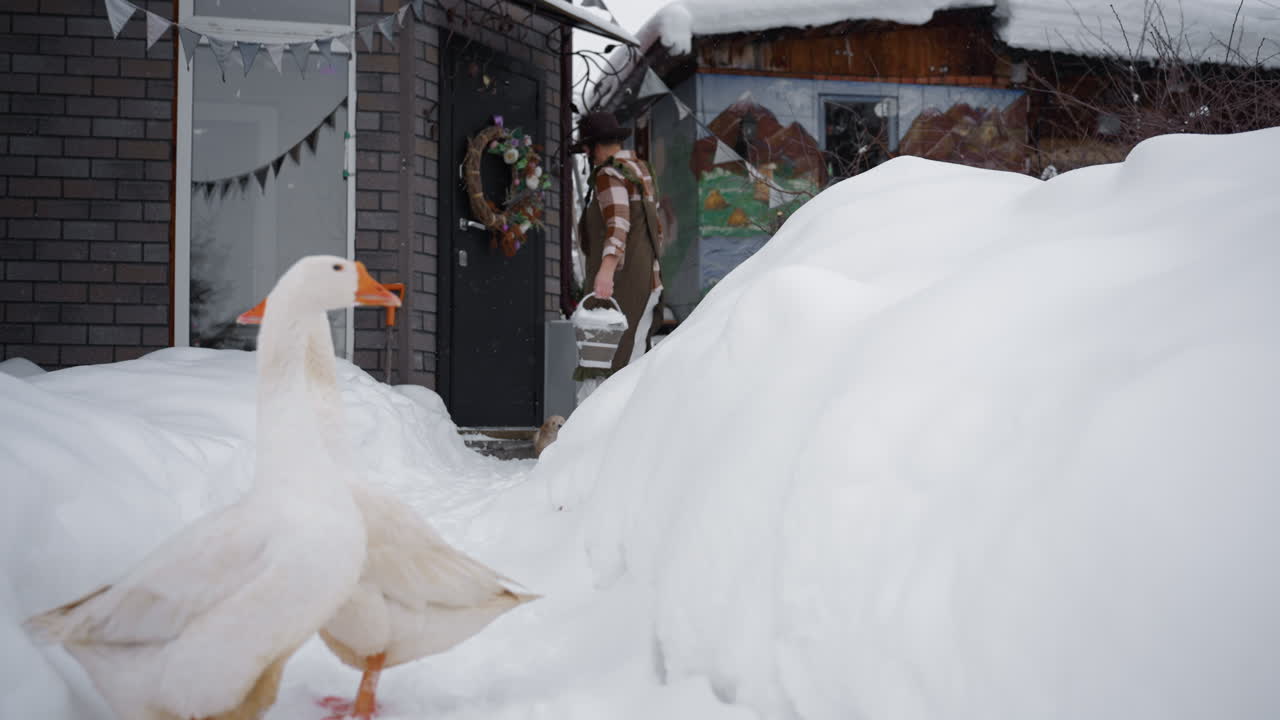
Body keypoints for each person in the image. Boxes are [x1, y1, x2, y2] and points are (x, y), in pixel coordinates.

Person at [572, 111, 665, 381]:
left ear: (593, 148)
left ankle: (603, 422)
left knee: (606, 366)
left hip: (625, 282)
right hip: (648, 279)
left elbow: (619, 223)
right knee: (633, 363)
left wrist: (606, 270)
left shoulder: (610, 174)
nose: (589, 158)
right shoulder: (640, 169)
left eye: (587, 151)